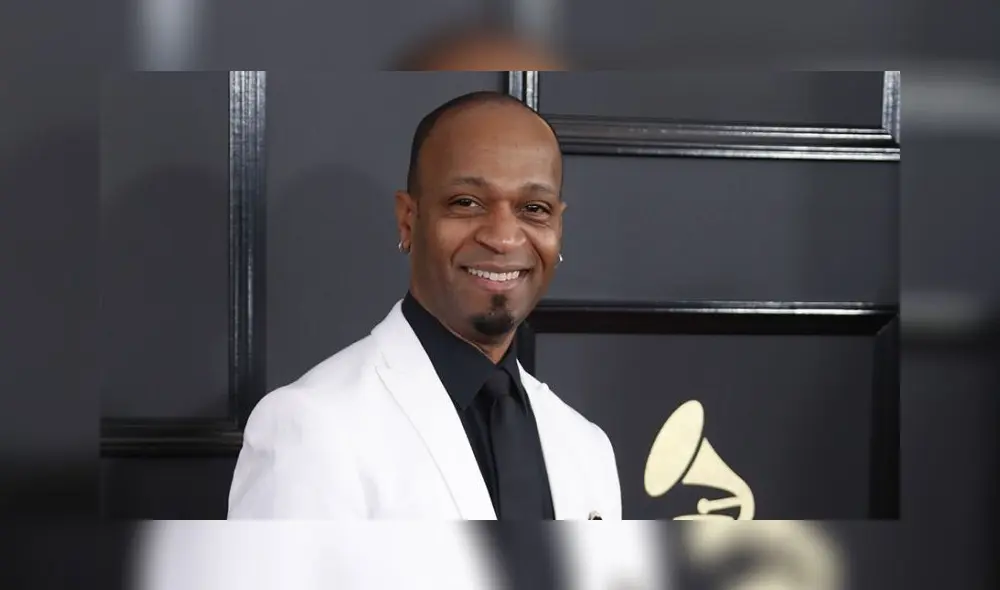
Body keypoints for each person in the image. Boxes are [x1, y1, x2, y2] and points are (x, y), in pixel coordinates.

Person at [227, 91, 622, 520]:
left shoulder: (587, 448)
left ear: (559, 225)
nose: (505, 237)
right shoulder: (310, 427)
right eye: (467, 203)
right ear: (408, 220)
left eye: (534, 208)